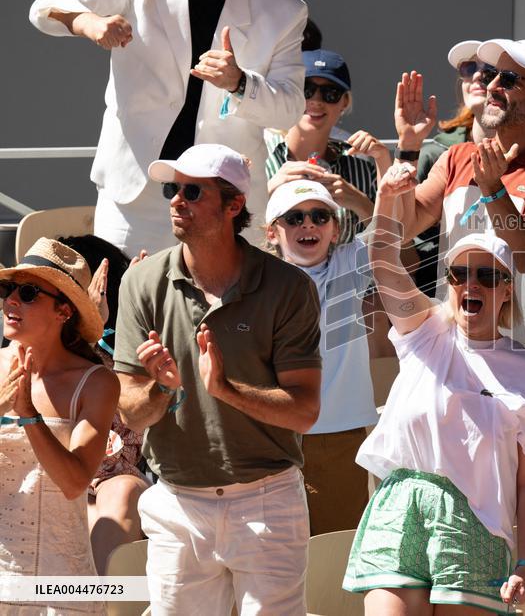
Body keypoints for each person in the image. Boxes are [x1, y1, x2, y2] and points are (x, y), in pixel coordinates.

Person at [113, 143, 322, 614]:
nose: (175, 200)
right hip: (177, 501)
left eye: (192, 191)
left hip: (267, 499)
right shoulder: (142, 281)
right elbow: (131, 409)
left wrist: (225, 389)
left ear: (233, 206)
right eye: (172, 188)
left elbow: (305, 411)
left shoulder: (289, 287)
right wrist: (162, 388)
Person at [342, 165, 525, 614]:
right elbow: (382, 258)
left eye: (487, 275)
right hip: (399, 510)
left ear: (506, 292)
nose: (471, 284)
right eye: (460, 274)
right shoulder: (425, 332)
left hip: (477, 526)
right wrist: (384, 196)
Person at [29, 0, 308, 256]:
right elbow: (45, 6)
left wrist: (239, 83)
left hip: (222, 202)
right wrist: (88, 22)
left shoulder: (282, 9)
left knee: (225, 304)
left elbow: (290, 109)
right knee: (123, 298)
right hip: (136, 198)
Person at [391, 39, 525, 379]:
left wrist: (492, 188)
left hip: (522, 368)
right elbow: (402, 228)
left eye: (510, 79)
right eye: (490, 74)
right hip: (453, 357)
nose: (492, 86)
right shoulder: (456, 158)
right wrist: (408, 147)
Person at [0, 238, 120, 614]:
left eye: (29, 292)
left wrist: (29, 416)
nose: (11, 300)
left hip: (64, 588)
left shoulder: (97, 381)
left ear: (64, 311)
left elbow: (74, 483)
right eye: (8, 289)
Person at [264, 180, 377, 535]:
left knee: (336, 549)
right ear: (272, 232)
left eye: (319, 215)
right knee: (275, 552)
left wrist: (383, 169)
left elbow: (390, 231)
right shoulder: (255, 279)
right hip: (271, 435)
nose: (308, 224)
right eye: (294, 217)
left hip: (339, 436)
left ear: (336, 228)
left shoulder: (350, 263)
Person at [58, 234, 151, 576]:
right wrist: (85, 336)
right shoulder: (35, 351)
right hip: (56, 475)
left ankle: (96, 606)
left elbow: (134, 406)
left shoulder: (126, 348)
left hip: (115, 476)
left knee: (123, 495)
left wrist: (134, 317)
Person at [265, 48, 393, 245]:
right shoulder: (261, 153)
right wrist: (266, 191)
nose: (316, 100)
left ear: (344, 102)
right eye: (306, 90)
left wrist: (362, 205)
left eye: (330, 93)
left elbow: (405, 258)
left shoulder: (361, 170)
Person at [412, 40, 497, 292]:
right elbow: (399, 231)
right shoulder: (440, 155)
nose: (479, 76)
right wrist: (406, 147)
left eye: (491, 70)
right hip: (445, 293)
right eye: (469, 68)